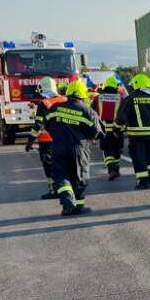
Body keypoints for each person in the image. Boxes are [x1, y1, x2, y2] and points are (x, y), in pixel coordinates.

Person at [44, 80, 104, 216]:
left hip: (58, 147)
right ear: (83, 95)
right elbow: (97, 132)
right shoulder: (87, 111)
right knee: (79, 176)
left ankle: (67, 205)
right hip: (78, 148)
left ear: (68, 93)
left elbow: (46, 125)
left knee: (60, 175)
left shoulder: (55, 108)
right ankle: (79, 207)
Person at [117, 73, 150, 189]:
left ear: (137, 84)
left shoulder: (131, 99)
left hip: (136, 136)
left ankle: (143, 181)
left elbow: (122, 117)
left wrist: (117, 129)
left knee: (138, 157)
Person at [25, 77, 67, 199]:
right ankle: (67, 188)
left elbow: (38, 125)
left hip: (47, 141)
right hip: (65, 139)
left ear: (43, 88)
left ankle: (54, 190)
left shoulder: (43, 104)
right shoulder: (65, 100)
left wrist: (30, 141)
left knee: (49, 167)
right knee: (64, 165)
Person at [91, 76, 126, 180]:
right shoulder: (122, 99)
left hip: (104, 130)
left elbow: (92, 114)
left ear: (105, 86)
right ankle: (116, 169)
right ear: (115, 87)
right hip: (118, 130)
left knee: (107, 151)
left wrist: (92, 131)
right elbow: (125, 115)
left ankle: (112, 169)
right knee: (117, 150)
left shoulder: (98, 98)